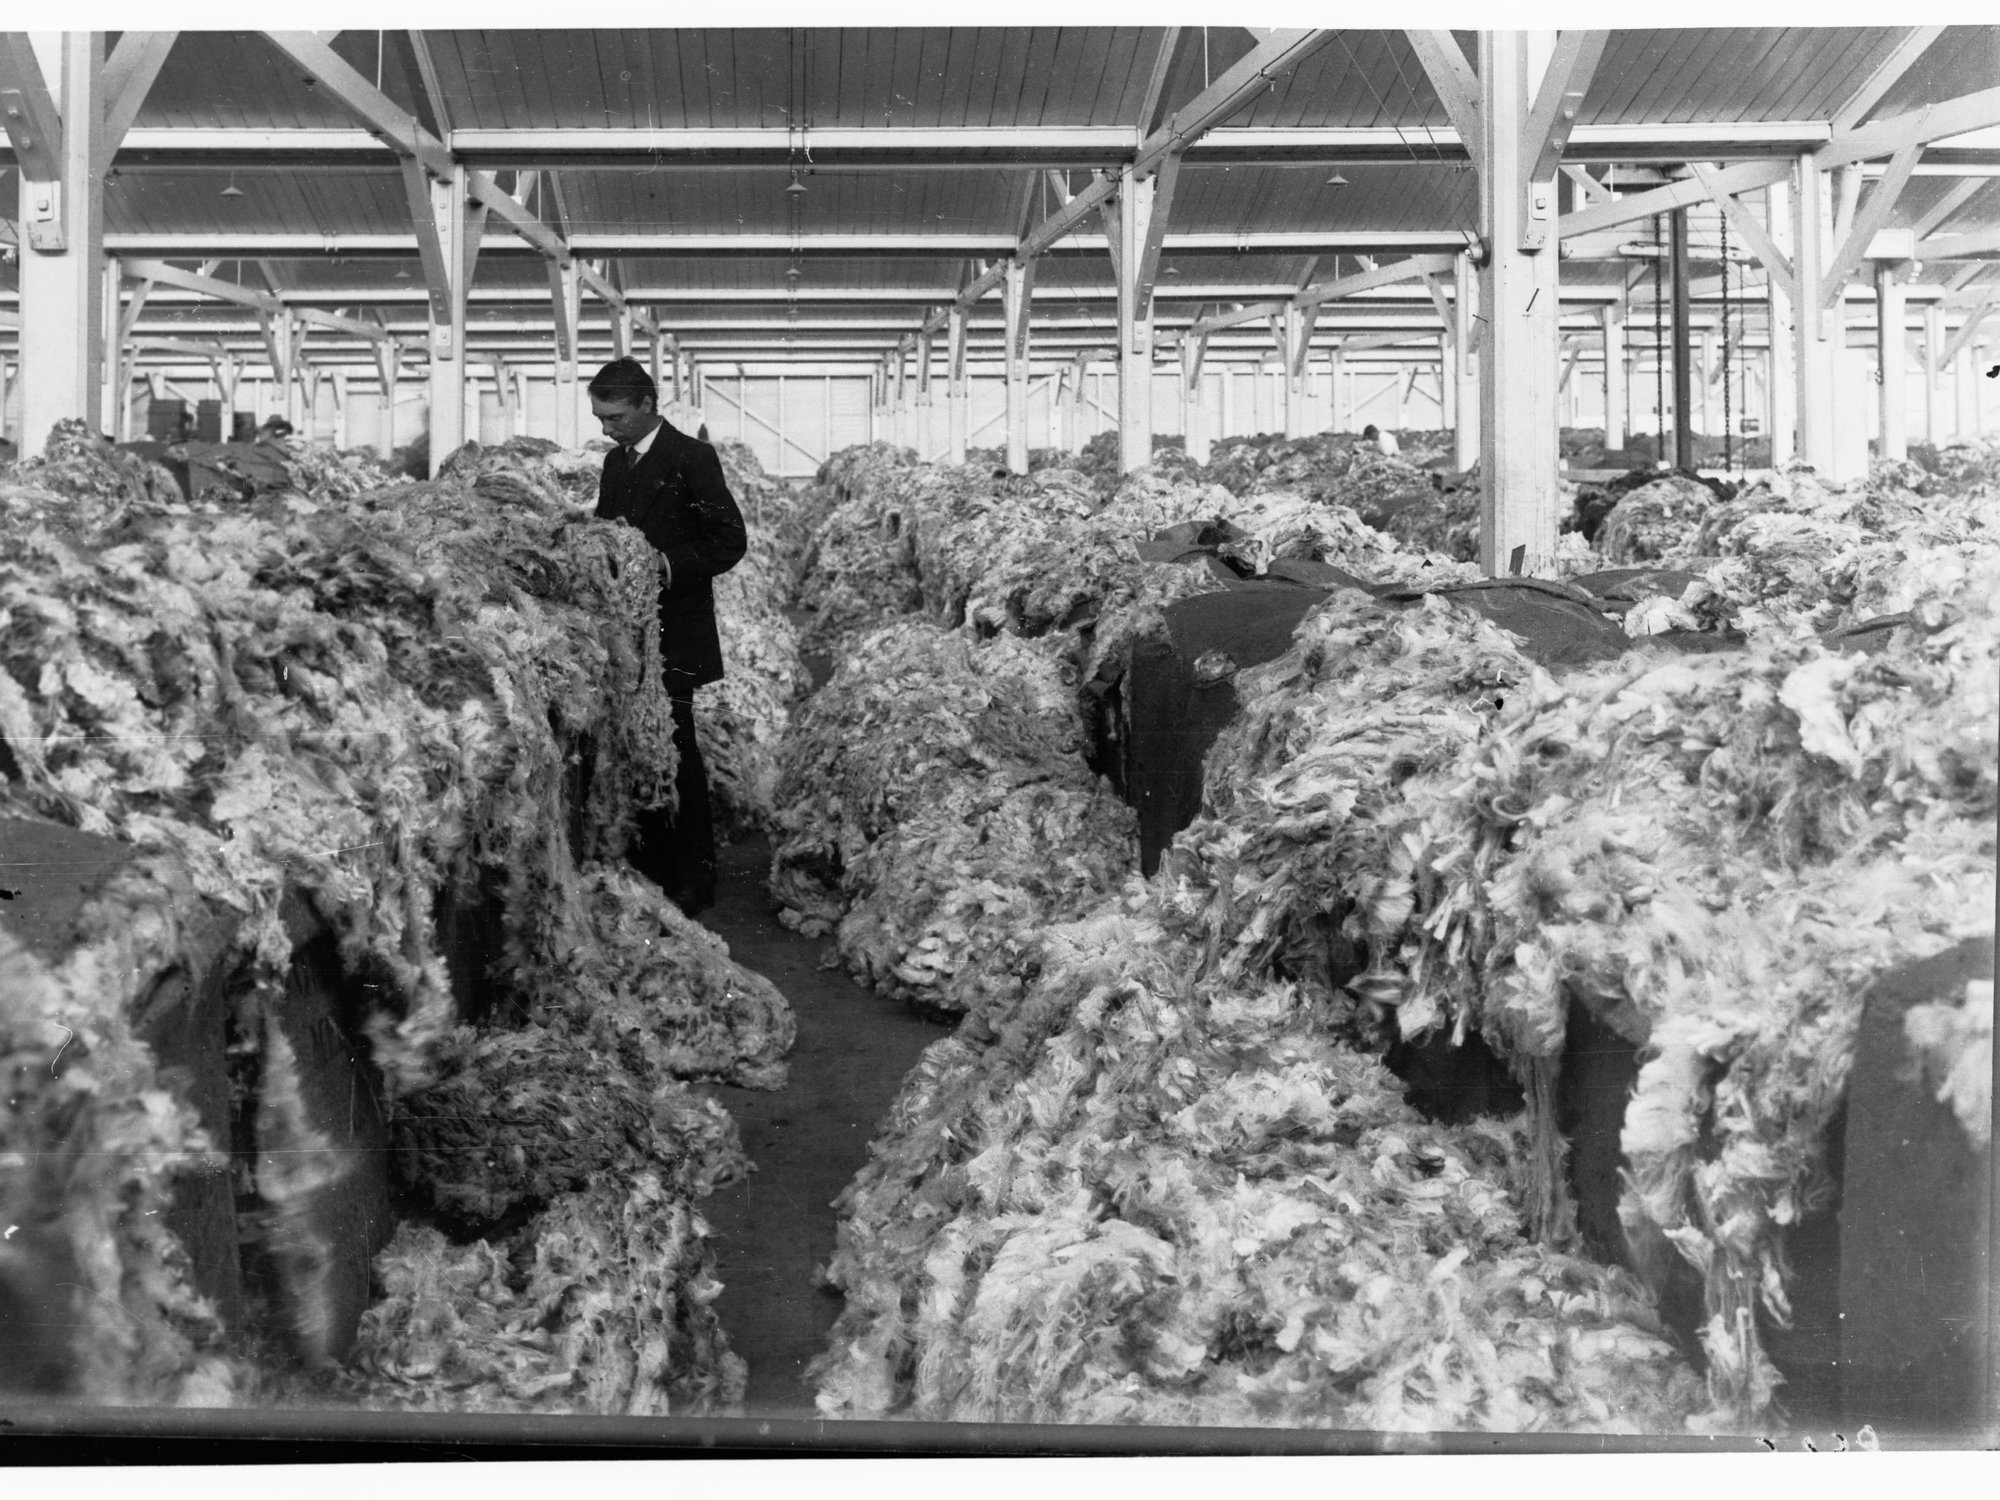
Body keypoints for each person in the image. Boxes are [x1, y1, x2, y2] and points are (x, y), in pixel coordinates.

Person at [587, 356, 746, 917]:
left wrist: (664, 565)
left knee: (676, 750)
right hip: (625, 638)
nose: (607, 429)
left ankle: (695, 879)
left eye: (615, 417)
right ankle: (651, 865)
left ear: (647, 405)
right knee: (635, 747)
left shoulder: (691, 458)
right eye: (601, 418)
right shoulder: (615, 463)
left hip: (674, 633)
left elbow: (728, 541)